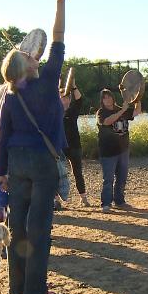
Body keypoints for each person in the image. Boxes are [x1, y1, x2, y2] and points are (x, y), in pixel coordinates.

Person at [0, 0, 68, 294]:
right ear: (28, 66)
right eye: (27, 54)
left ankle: (17, 289)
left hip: (16, 162)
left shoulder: (9, 97)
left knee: (17, 226)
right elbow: (58, 38)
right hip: (41, 163)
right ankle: (37, 292)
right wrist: (60, 1)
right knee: (39, 228)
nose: (33, 53)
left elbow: (4, 136)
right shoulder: (49, 78)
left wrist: (1, 174)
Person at [96, 88, 141, 213]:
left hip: (123, 150)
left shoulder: (122, 109)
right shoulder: (101, 112)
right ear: (102, 101)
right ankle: (106, 203)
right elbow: (106, 122)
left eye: (109, 96)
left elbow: (137, 111)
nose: (108, 99)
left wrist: (138, 97)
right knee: (108, 179)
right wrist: (122, 110)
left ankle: (119, 201)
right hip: (108, 151)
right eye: (105, 98)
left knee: (122, 177)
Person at [60, 76, 90, 208]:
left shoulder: (72, 111)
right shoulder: (53, 112)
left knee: (77, 172)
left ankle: (83, 198)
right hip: (59, 147)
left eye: (66, 98)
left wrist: (73, 85)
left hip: (74, 146)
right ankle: (56, 199)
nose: (64, 100)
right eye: (62, 98)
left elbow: (79, 100)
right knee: (57, 173)